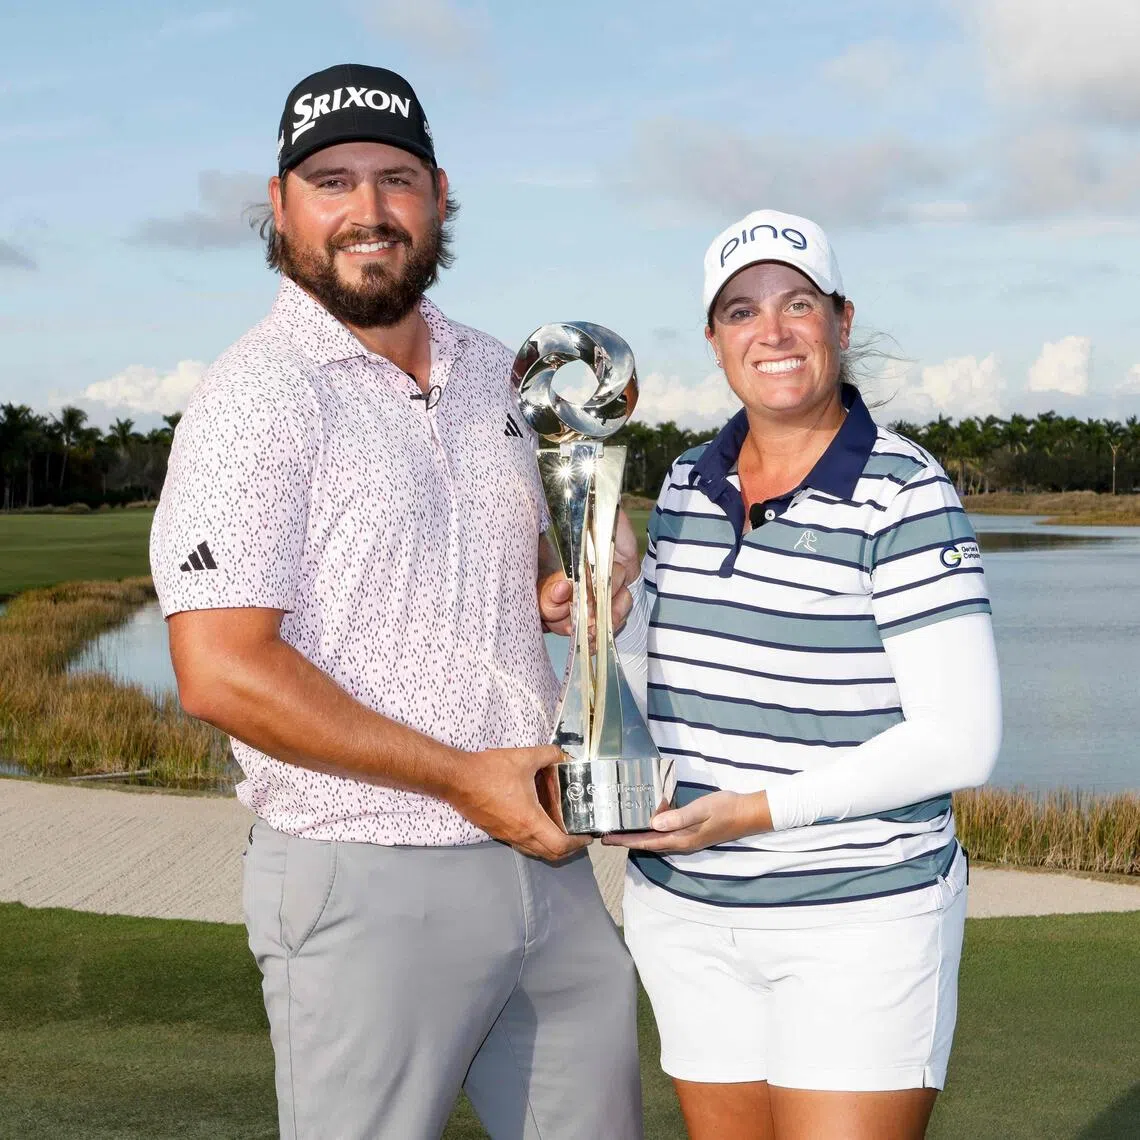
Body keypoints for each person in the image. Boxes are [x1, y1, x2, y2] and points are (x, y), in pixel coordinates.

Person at [149, 63, 642, 1140]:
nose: (367, 210)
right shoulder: (255, 398)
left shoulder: (496, 375)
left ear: (439, 195)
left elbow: (502, 577)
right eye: (331, 181)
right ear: (279, 206)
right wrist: (461, 780)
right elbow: (222, 668)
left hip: (548, 867)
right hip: (366, 878)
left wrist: (580, 573)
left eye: (395, 178)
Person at [606, 209, 1002, 1140]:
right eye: (741, 312)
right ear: (714, 340)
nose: (772, 331)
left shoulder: (905, 492)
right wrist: (604, 608)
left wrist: (754, 810)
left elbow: (962, 738)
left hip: (857, 919)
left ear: (841, 319)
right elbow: (650, 675)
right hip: (688, 913)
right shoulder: (683, 482)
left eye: (797, 304)